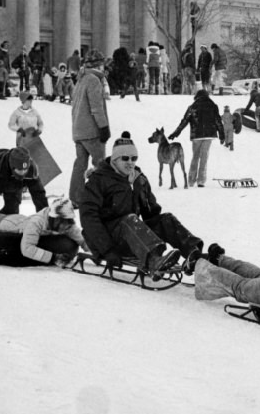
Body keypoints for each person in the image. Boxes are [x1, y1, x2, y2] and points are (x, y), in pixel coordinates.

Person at [79, 132, 211, 276]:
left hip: (134, 238)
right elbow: (88, 217)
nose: (130, 162)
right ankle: (153, 261)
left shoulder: (138, 179)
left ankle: (194, 255)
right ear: (115, 160)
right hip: (109, 240)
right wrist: (107, 249)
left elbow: (152, 214)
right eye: (125, 158)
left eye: (134, 158)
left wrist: (159, 223)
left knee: (165, 219)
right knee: (129, 220)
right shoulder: (99, 180)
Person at [70, 50, 110, 207]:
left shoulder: (81, 80)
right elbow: (96, 108)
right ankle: (101, 198)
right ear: (99, 65)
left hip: (78, 131)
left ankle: (76, 198)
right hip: (91, 131)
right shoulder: (93, 80)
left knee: (80, 165)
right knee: (101, 165)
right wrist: (103, 127)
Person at [0, 147, 48, 225]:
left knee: (12, 210)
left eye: (25, 170)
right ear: (13, 167)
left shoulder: (31, 170)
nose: (23, 173)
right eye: (20, 170)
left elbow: (38, 194)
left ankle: (3, 226)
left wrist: (44, 217)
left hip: (12, 181)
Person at [169, 89, 225, 187]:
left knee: (195, 156)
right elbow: (218, 121)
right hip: (209, 135)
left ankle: (191, 180)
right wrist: (222, 135)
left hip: (197, 136)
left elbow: (184, 121)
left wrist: (176, 133)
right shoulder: (213, 106)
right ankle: (201, 181)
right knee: (204, 156)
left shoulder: (193, 107)